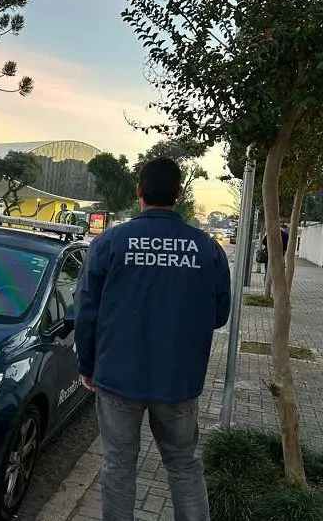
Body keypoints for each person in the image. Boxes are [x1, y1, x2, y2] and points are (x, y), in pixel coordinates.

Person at [74, 157, 231, 521]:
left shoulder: (109, 243)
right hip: (178, 381)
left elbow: (86, 311)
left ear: (139, 191)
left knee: (118, 465)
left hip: (117, 378)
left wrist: (87, 365)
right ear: (179, 194)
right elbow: (219, 315)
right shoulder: (208, 249)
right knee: (184, 465)